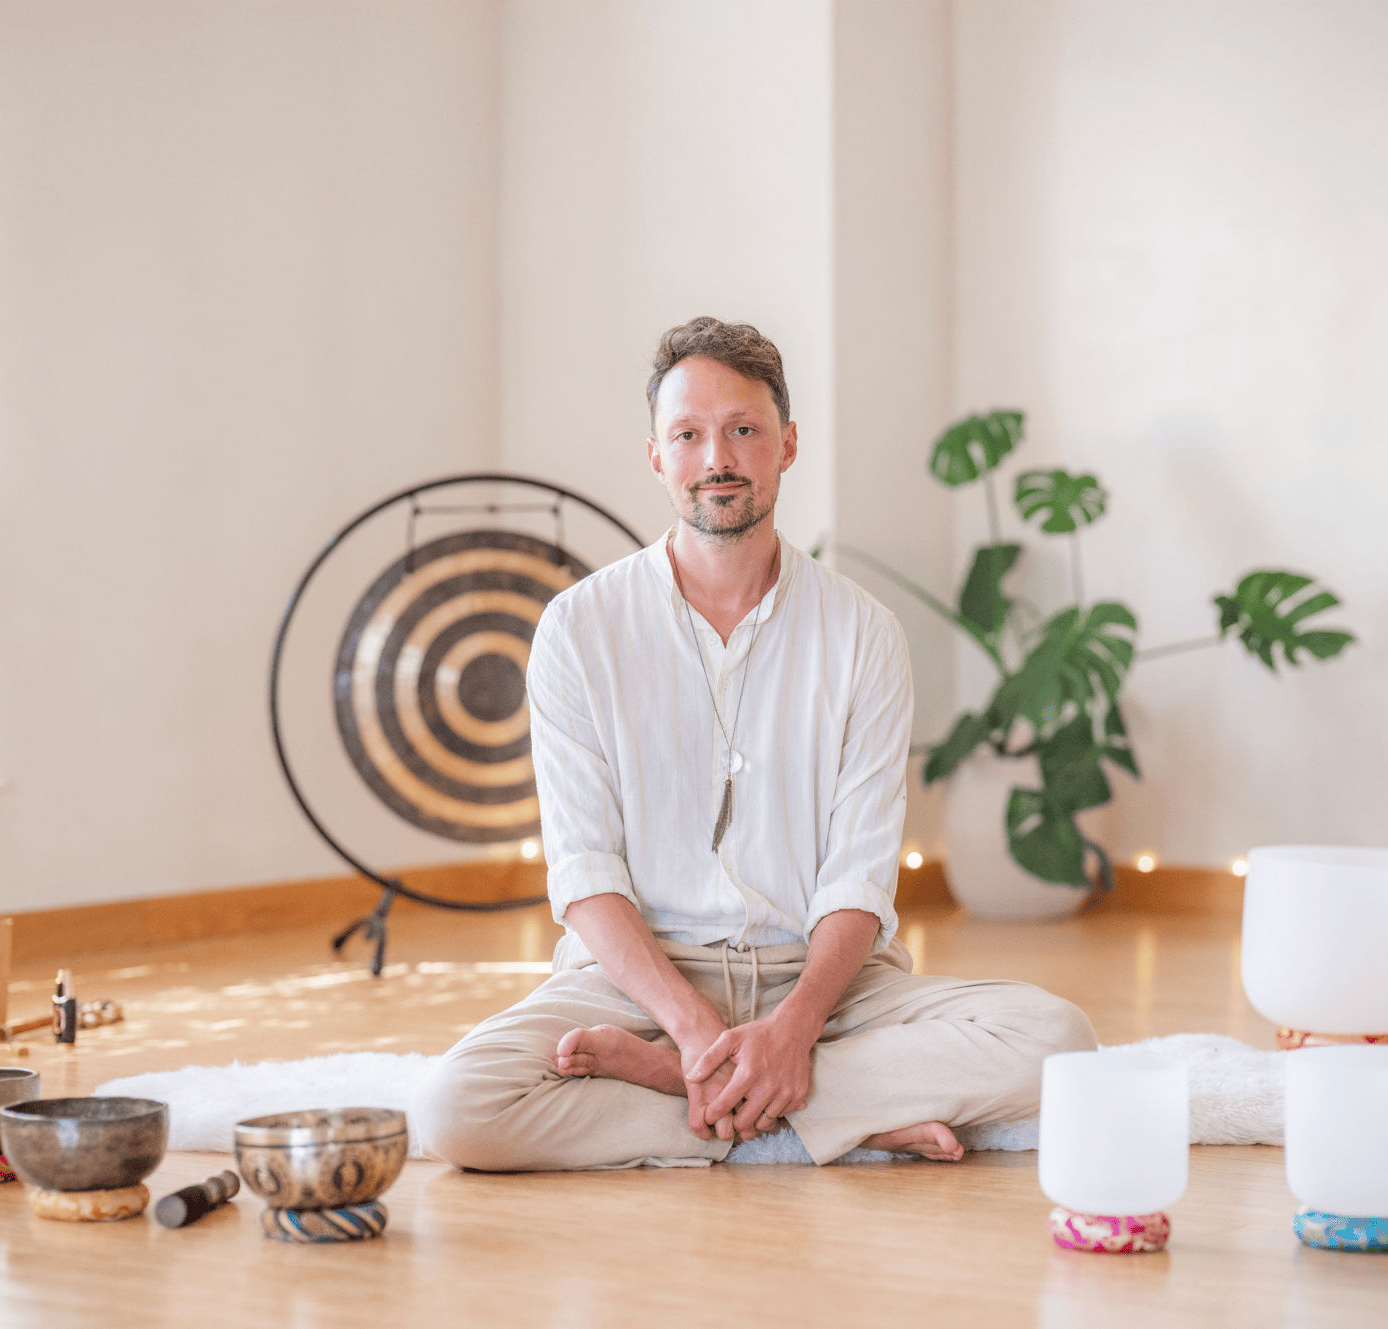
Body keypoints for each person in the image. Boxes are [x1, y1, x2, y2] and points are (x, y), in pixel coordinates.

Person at [412, 317, 1095, 1171]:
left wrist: (796, 1025)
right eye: (689, 435)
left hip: (825, 982)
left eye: (743, 430)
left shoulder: (863, 633)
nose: (717, 458)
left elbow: (859, 872)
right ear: (657, 455)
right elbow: (584, 871)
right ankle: (818, 1113)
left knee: (1058, 1038)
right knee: (455, 1107)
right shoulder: (577, 629)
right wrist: (695, 1027)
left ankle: (694, 1091)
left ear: (787, 444)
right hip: (640, 981)